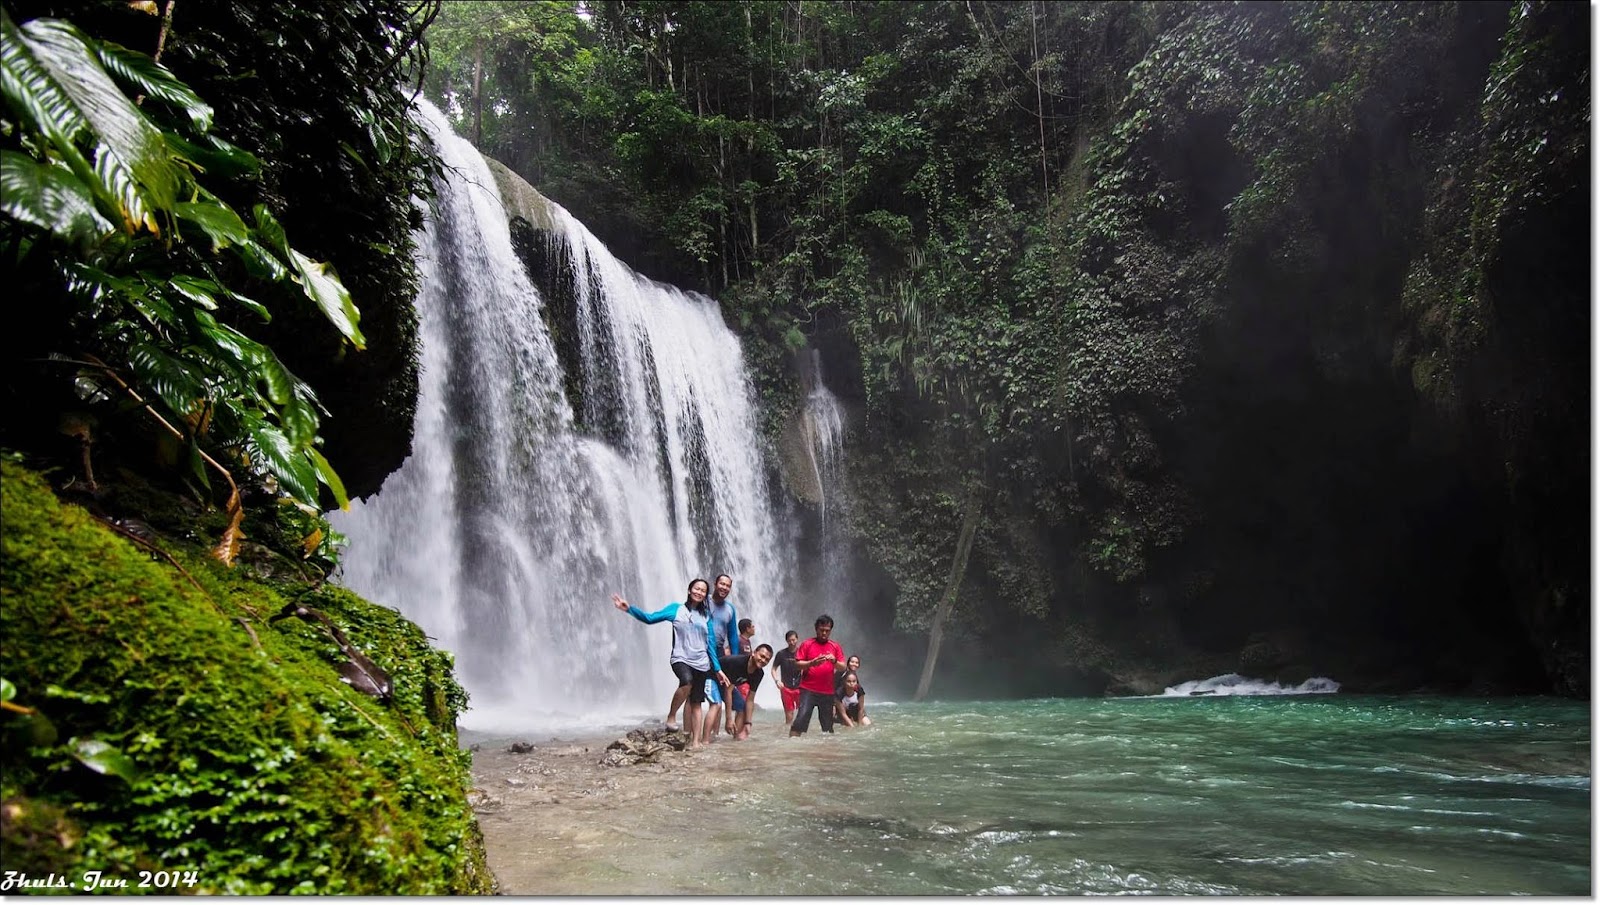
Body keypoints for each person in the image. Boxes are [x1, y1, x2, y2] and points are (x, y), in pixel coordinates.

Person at [611, 579, 728, 749]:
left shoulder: (706, 616)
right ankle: (672, 715)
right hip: (680, 658)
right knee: (686, 682)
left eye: (703, 590)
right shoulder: (676, 609)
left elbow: (710, 644)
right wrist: (629, 609)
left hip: (702, 663)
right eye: (696, 588)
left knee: (696, 703)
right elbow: (650, 618)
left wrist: (717, 669)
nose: (699, 592)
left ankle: (696, 743)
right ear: (689, 590)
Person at [672, 573, 741, 731]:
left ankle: (713, 734)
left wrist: (735, 659)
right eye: (722, 584)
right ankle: (688, 732)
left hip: (718, 651)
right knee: (691, 691)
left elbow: (732, 635)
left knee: (716, 694)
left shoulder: (730, 609)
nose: (724, 587)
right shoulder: (702, 599)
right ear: (715, 584)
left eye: (728, 585)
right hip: (697, 648)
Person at [790, 615, 844, 737]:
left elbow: (843, 667)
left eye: (827, 630)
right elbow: (797, 664)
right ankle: (792, 747)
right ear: (816, 629)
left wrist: (834, 661)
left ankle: (827, 751)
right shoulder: (807, 644)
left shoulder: (835, 646)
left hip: (827, 691)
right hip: (808, 689)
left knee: (828, 725)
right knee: (801, 719)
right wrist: (812, 663)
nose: (824, 633)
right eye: (821, 630)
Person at [718, 643, 773, 740]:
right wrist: (729, 719)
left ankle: (736, 740)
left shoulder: (759, 673)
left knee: (742, 706)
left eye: (767, 660)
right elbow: (728, 691)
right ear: (754, 653)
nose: (763, 660)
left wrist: (748, 724)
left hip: (725, 685)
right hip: (712, 677)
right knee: (715, 705)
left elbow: (750, 699)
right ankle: (707, 740)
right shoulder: (738, 663)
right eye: (762, 656)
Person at [771, 630, 802, 727]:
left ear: (797, 639)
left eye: (793, 640)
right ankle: (788, 735)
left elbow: (808, 667)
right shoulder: (781, 654)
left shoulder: (801, 652)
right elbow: (773, 669)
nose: (792, 642)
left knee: (802, 713)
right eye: (789, 640)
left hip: (800, 687)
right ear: (786, 641)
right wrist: (777, 680)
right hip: (786, 687)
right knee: (789, 715)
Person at [834, 655, 871, 727]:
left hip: (853, 705)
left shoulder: (855, 678)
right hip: (840, 702)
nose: (854, 664)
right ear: (848, 662)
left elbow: (859, 694)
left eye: (857, 662)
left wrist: (859, 725)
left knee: (867, 724)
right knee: (847, 725)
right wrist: (833, 704)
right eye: (852, 662)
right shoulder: (841, 672)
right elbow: (833, 686)